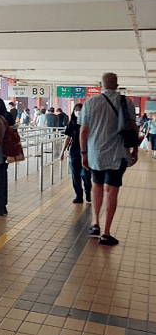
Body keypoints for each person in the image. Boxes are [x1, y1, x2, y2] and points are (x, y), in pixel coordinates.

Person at [80, 72, 138, 245]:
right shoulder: (125, 101)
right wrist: (135, 150)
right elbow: (133, 127)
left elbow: (83, 131)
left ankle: (95, 224)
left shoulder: (90, 102)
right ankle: (106, 233)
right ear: (117, 85)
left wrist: (83, 154)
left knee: (96, 186)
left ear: (101, 85)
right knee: (111, 190)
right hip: (118, 154)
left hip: (95, 154)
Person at [60, 103, 92, 204]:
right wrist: (62, 151)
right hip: (74, 151)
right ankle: (79, 196)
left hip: (87, 152)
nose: (78, 112)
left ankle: (88, 192)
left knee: (86, 174)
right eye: (76, 110)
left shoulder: (89, 123)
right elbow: (68, 138)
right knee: (75, 174)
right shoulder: (72, 123)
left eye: (80, 110)